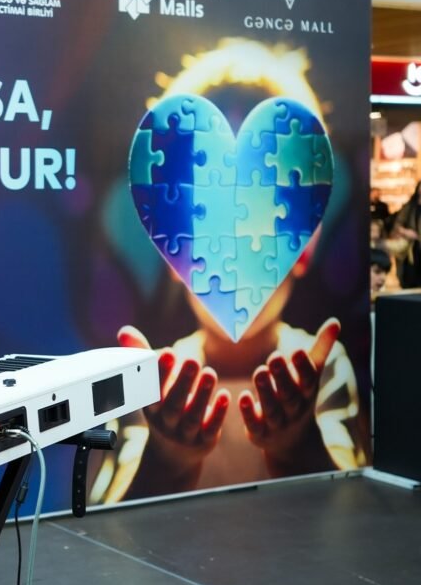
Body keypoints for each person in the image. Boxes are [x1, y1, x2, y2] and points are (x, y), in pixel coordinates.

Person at [91, 232, 368, 503]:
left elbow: (351, 506)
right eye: (213, 247)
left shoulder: (320, 366)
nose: (235, 271)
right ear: (174, 259)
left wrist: (301, 449)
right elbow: (110, 516)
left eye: (257, 247)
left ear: (302, 251)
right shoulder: (158, 382)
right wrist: (163, 462)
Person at [391, 181, 421, 289]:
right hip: (409, 249)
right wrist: (406, 232)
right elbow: (397, 225)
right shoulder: (410, 206)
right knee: (410, 277)